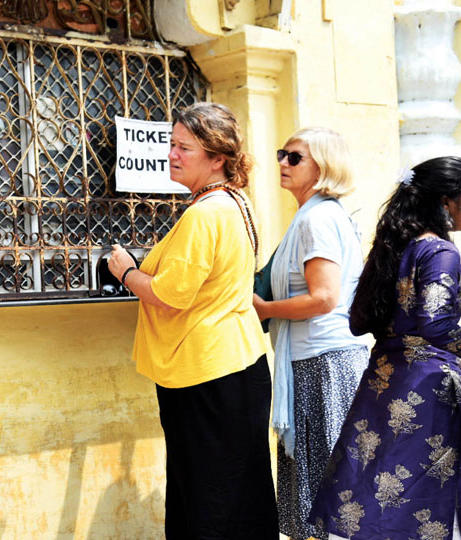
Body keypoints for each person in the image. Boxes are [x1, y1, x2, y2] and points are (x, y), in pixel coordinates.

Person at [107, 102, 277, 539]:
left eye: (184, 147)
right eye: (171, 144)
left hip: (206, 373)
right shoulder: (237, 203)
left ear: (217, 157)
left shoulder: (206, 213)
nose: (171, 154)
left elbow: (168, 296)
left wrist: (126, 270)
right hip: (238, 364)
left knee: (206, 495)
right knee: (241, 491)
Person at [308, 156, 461, 540]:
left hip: (383, 384)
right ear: (446, 202)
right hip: (427, 392)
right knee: (422, 497)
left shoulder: (394, 247)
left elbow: (360, 319)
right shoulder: (441, 252)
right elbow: (436, 323)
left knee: (380, 493)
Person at [252, 127, 369, 540]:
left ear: (324, 166)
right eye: (283, 154)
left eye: (295, 157)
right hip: (328, 360)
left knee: (325, 492)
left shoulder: (317, 219)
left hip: (323, 363)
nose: (282, 162)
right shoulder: (321, 214)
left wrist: (265, 309)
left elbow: (323, 298)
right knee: (333, 489)